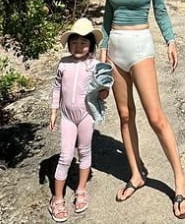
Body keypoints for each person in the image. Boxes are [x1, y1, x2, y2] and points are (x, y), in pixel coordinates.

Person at [99, 0, 185, 219]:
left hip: (140, 48)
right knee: (125, 116)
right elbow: (107, 17)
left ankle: (180, 181)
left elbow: (161, 10)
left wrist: (171, 40)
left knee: (155, 117)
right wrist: (102, 55)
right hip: (115, 52)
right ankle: (136, 174)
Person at [48, 18, 112, 223]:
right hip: (67, 117)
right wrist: (54, 110)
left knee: (84, 152)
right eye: (74, 42)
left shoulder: (95, 66)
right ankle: (57, 199)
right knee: (65, 157)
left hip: (85, 116)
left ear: (91, 45)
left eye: (84, 43)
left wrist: (104, 89)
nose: (78, 46)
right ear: (69, 44)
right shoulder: (63, 63)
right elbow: (57, 87)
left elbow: (102, 95)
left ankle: (81, 190)